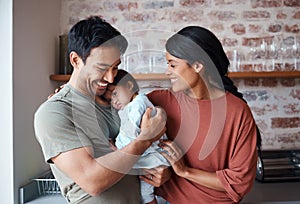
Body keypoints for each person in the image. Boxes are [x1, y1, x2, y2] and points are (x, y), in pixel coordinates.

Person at [34, 16, 168, 204]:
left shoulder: (114, 101)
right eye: (102, 68)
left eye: (115, 67)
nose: (111, 78)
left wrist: (163, 171)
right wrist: (145, 139)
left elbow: (146, 146)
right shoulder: (54, 113)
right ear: (75, 60)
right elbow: (92, 181)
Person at [142, 26, 262, 203]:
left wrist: (184, 171)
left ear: (198, 65)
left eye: (173, 64)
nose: (167, 71)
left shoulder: (237, 111)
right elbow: (125, 139)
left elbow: (240, 182)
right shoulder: (157, 102)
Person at [107, 69, 170, 204]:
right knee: (145, 193)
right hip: (151, 155)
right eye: (110, 98)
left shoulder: (138, 104)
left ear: (129, 86)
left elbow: (132, 133)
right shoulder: (132, 105)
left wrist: (116, 149)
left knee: (145, 194)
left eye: (115, 93)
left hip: (153, 157)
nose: (114, 100)